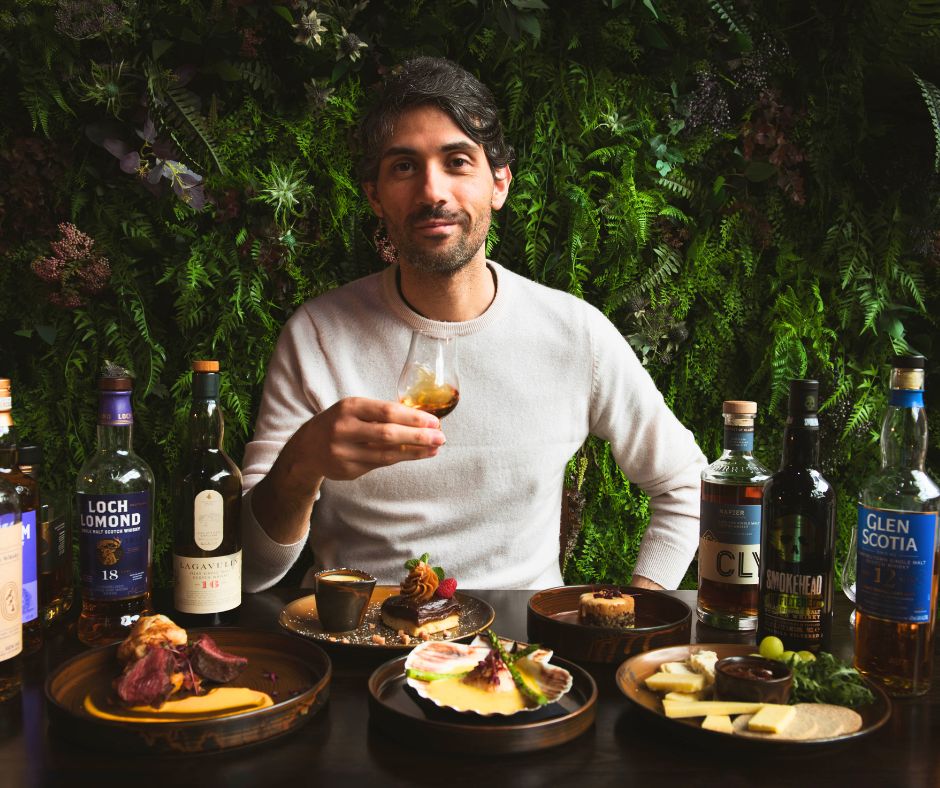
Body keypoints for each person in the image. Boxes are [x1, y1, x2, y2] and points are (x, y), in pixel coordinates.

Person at [240, 56, 706, 592]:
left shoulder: (576, 334)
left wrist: (636, 613)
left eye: (458, 161)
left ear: (500, 184)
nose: (433, 191)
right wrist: (302, 462)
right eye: (404, 167)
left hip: (516, 653)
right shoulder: (317, 335)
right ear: (374, 196)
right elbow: (252, 572)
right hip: (359, 643)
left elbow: (686, 483)